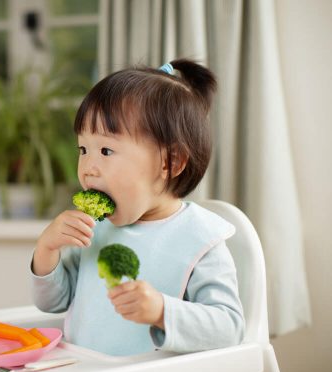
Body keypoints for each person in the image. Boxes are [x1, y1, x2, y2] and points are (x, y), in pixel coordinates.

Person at [30, 59, 245, 356]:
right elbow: (53, 302)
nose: (88, 168)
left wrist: (161, 311)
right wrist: (47, 250)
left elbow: (229, 327)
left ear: (171, 162)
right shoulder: (98, 227)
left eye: (106, 150)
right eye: (83, 149)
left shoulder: (200, 239)